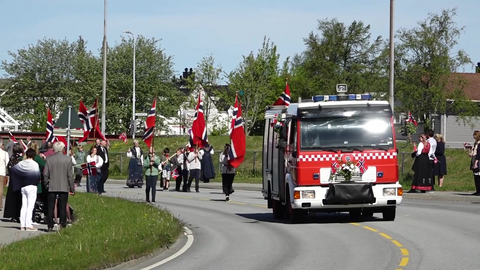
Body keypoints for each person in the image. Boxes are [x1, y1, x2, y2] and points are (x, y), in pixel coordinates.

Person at [43, 141, 74, 231]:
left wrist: (46, 184)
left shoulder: (49, 159)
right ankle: (63, 223)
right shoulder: (68, 159)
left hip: (52, 185)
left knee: (50, 206)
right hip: (64, 185)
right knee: (63, 205)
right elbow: (70, 175)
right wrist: (71, 187)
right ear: (62, 149)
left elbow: (45, 174)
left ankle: (50, 225)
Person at [10, 149, 41, 231]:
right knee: (30, 206)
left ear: (26, 155)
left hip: (23, 186)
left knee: (24, 206)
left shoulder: (21, 163)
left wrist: (19, 179)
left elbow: (12, 170)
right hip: (32, 186)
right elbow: (37, 176)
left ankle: (22, 224)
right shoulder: (35, 164)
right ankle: (28, 225)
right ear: (34, 156)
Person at [3, 144, 24, 222]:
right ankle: (18, 215)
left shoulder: (11, 158)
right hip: (19, 180)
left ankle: (12, 215)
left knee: (12, 198)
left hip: (13, 180)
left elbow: (9, 167)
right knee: (19, 198)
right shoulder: (21, 159)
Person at [469, 130, 480, 195]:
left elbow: (478, 153)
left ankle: (479, 190)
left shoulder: (479, 143)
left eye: (475, 134)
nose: (474, 136)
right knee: (475, 175)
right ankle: (477, 190)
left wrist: (476, 162)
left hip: (477, 159)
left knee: (478, 175)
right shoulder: (475, 143)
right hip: (474, 158)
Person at [0, 141, 9, 211]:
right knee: (1, 189)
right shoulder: (5, 153)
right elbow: (7, 163)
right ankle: (0, 204)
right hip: (1, 172)